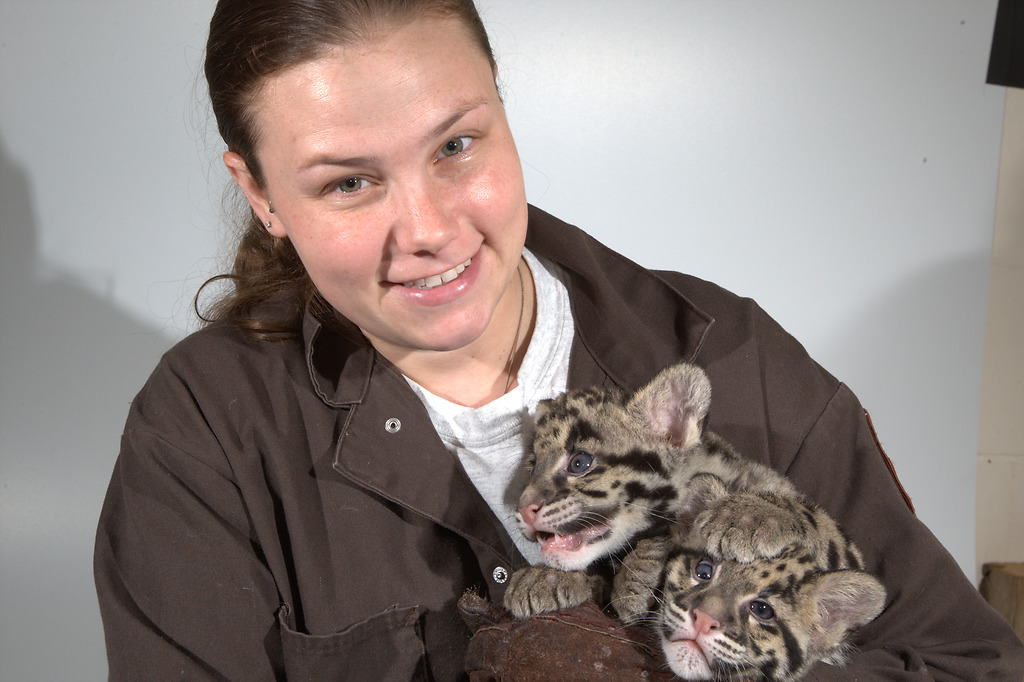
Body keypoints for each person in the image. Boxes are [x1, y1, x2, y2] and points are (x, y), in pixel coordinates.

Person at [93, 0, 1024, 679]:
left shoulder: (729, 357)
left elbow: (968, 664)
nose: (428, 229)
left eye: (456, 146)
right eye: (348, 184)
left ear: (502, 106)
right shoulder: (204, 433)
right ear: (261, 197)